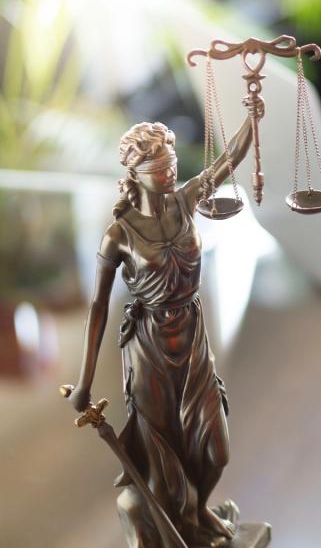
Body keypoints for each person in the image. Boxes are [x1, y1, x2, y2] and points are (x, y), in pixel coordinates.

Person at [68, 115, 253, 546]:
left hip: (192, 338)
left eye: (171, 164)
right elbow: (97, 307)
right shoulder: (118, 235)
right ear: (134, 175)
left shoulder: (186, 200)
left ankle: (200, 509)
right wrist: (84, 381)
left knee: (215, 449)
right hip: (149, 348)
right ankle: (183, 526)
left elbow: (231, 158)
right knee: (164, 459)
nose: (171, 174)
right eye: (159, 170)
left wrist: (253, 109)